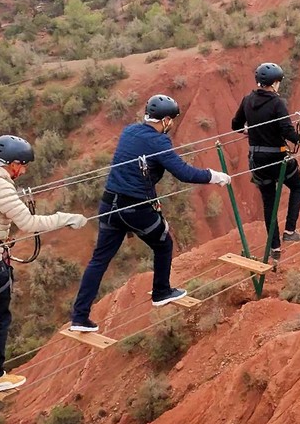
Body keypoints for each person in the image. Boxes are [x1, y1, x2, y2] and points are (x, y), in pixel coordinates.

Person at [69, 94, 231, 333]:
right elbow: (183, 173)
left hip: (110, 204)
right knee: (163, 243)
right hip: (135, 208)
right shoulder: (159, 142)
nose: (172, 124)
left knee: (99, 261)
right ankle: (161, 292)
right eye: (171, 120)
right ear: (165, 120)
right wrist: (214, 176)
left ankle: (79, 317)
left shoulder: (129, 131)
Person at [0, 135, 89, 396]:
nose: (23, 171)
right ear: (12, 163)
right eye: (22, 165)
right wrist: (65, 218)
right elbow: (29, 224)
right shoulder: (1, 187)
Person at [230, 63, 300, 261]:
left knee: (269, 202)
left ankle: (275, 248)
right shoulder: (277, 103)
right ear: (275, 83)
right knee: (297, 185)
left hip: (256, 160)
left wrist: (253, 131)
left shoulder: (247, 100)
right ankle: (290, 230)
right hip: (277, 157)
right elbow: (288, 133)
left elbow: (235, 126)